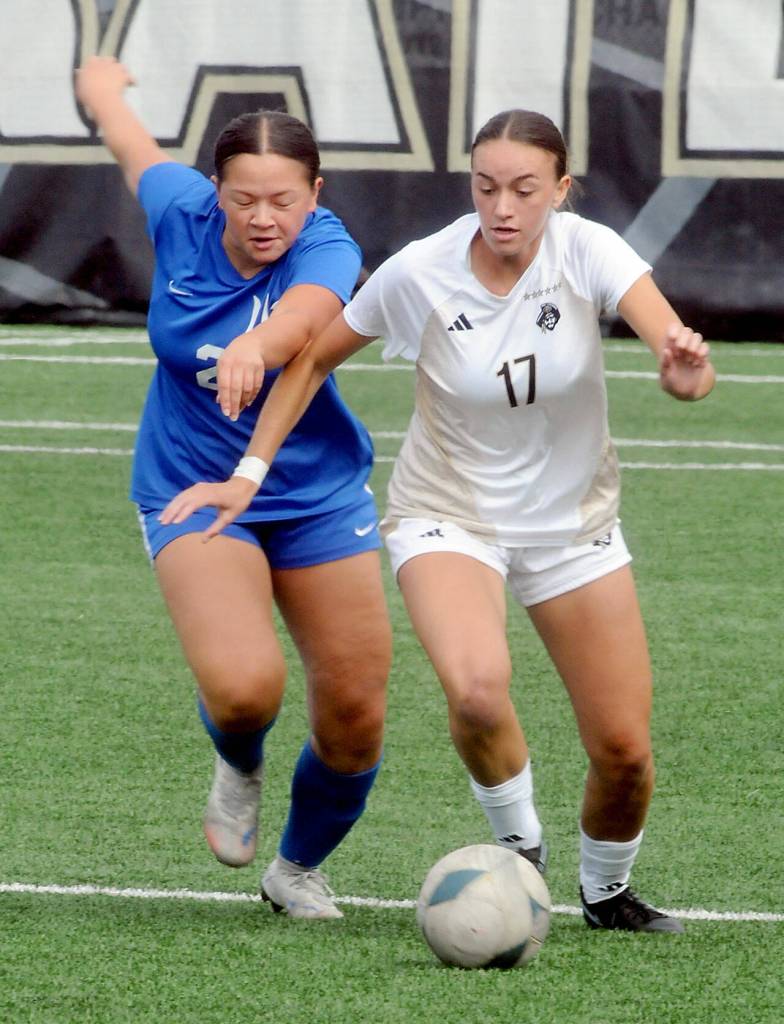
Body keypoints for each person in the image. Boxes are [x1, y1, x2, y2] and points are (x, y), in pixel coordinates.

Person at [162, 109, 716, 933]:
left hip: (573, 527)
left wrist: (683, 373)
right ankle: (519, 854)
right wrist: (248, 473)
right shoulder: (421, 270)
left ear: (560, 191)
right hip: (447, 515)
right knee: (479, 689)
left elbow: (673, 351)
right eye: (487, 186)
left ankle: (607, 892)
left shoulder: (590, 251)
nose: (504, 206)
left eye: (526, 189)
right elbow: (312, 356)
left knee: (625, 754)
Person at [74, 56, 392, 920]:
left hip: (314, 490)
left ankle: (295, 869)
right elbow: (133, 146)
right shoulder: (180, 210)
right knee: (248, 687)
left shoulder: (328, 243)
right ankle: (239, 762)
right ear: (216, 190)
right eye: (244, 198)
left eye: (283, 199)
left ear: (314, 192)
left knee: (357, 712)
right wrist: (103, 90)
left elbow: (306, 316)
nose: (263, 217)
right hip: (190, 485)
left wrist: (261, 344)